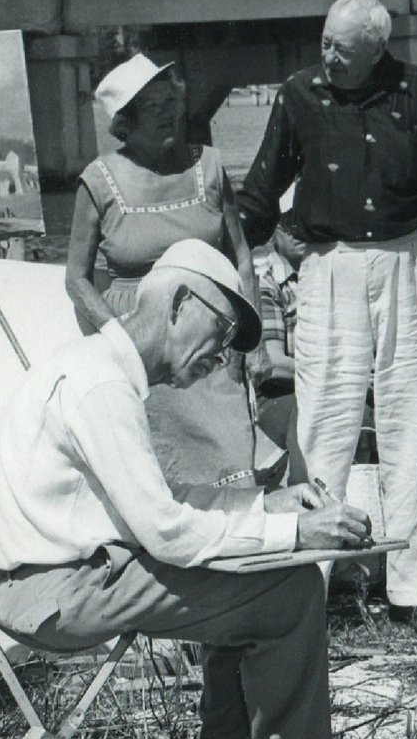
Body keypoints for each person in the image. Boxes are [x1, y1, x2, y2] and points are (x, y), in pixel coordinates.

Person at [0, 240, 375, 739]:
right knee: (288, 590)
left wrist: (266, 504)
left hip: (52, 582)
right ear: (179, 304)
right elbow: (167, 533)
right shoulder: (102, 386)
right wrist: (295, 533)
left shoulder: (95, 368)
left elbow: (156, 508)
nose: (221, 356)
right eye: (219, 332)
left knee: (245, 572)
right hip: (53, 594)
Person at [235, 0, 417, 616]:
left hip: (408, 263)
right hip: (329, 268)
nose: (329, 57)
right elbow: (260, 188)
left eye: (343, 50)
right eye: (325, 44)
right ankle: (312, 584)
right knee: (323, 423)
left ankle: (410, 587)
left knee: (413, 420)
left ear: (377, 50)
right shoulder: (300, 94)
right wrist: (228, 233)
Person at [65, 54, 267, 495]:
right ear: (126, 123)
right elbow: (76, 279)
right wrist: (116, 339)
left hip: (210, 341)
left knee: (231, 463)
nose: (168, 116)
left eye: (170, 104)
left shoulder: (209, 167)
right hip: (142, 348)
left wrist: (253, 346)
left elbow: (243, 259)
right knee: (152, 478)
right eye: (153, 110)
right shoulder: (97, 181)